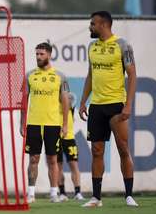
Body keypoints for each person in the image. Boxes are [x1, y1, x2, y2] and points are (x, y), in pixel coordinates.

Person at [78, 11, 138, 207]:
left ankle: (128, 195)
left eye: (93, 24)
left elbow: (132, 74)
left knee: (122, 149)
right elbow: (90, 76)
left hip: (116, 106)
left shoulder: (123, 45)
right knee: (97, 151)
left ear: (103, 25)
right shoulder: (92, 47)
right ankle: (96, 198)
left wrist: (128, 105)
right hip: (97, 106)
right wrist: (82, 101)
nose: (90, 27)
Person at [20, 42, 69, 203]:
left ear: (49, 54)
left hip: (53, 124)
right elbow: (23, 101)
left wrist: (65, 124)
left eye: (41, 54)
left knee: (52, 159)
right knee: (33, 159)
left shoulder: (60, 76)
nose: (38, 57)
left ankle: (54, 193)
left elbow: (65, 102)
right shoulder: (29, 75)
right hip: (33, 124)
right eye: (36, 54)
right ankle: (31, 194)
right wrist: (22, 124)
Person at [57, 93, 85, 202]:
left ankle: (78, 192)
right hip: (56, 138)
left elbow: (71, 100)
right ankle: (62, 193)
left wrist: (65, 97)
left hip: (69, 137)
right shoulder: (53, 103)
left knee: (74, 165)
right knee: (58, 166)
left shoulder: (70, 101)